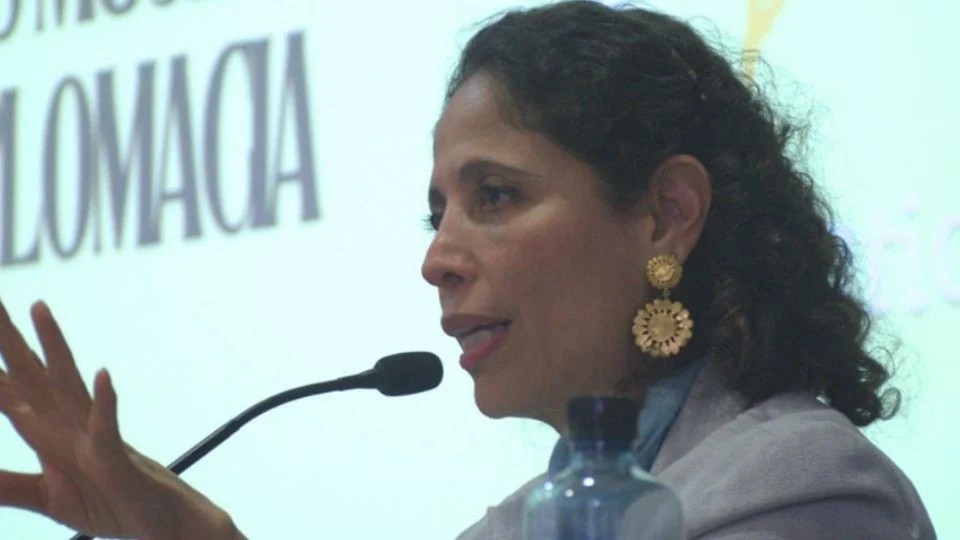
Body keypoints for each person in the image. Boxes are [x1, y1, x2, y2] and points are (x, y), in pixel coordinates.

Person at [0, 1, 936, 538]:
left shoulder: (808, 492)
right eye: (436, 212)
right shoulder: (509, 527)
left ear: (667, 213)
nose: (436, 260)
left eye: (494, 195)